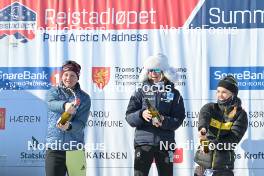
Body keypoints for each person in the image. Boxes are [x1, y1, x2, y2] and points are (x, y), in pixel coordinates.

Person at [125, 53, 185, 176]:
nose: (153, 73)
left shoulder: (175, 93)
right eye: (150, 70)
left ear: (164, 72)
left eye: (157, 70)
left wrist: (163, 120)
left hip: (165, 143)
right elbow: (129, 117)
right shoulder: (140, 92)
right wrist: (141, 115)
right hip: (144, 142)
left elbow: (178, 119)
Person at [194, 75, 248, 176]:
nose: (220, 95)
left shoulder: (240, 114)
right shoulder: (210, 107)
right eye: (218, 91)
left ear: (233, 94)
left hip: (224, 167)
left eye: (224, 92)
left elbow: (233, 139)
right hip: (202, 166)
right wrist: (203, 130)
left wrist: (213, 144)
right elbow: (204, 117)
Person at [45, 60, 91, 176]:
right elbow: (50, 103)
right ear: (62, 75)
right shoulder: (53, 92)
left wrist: (69, 126)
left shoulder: (84, 98)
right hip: (55, 148)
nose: (68, 78)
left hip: (75, 149)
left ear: (77, 78)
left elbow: (81, 123)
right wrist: (64, 105)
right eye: (66, 74)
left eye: (72, 75)